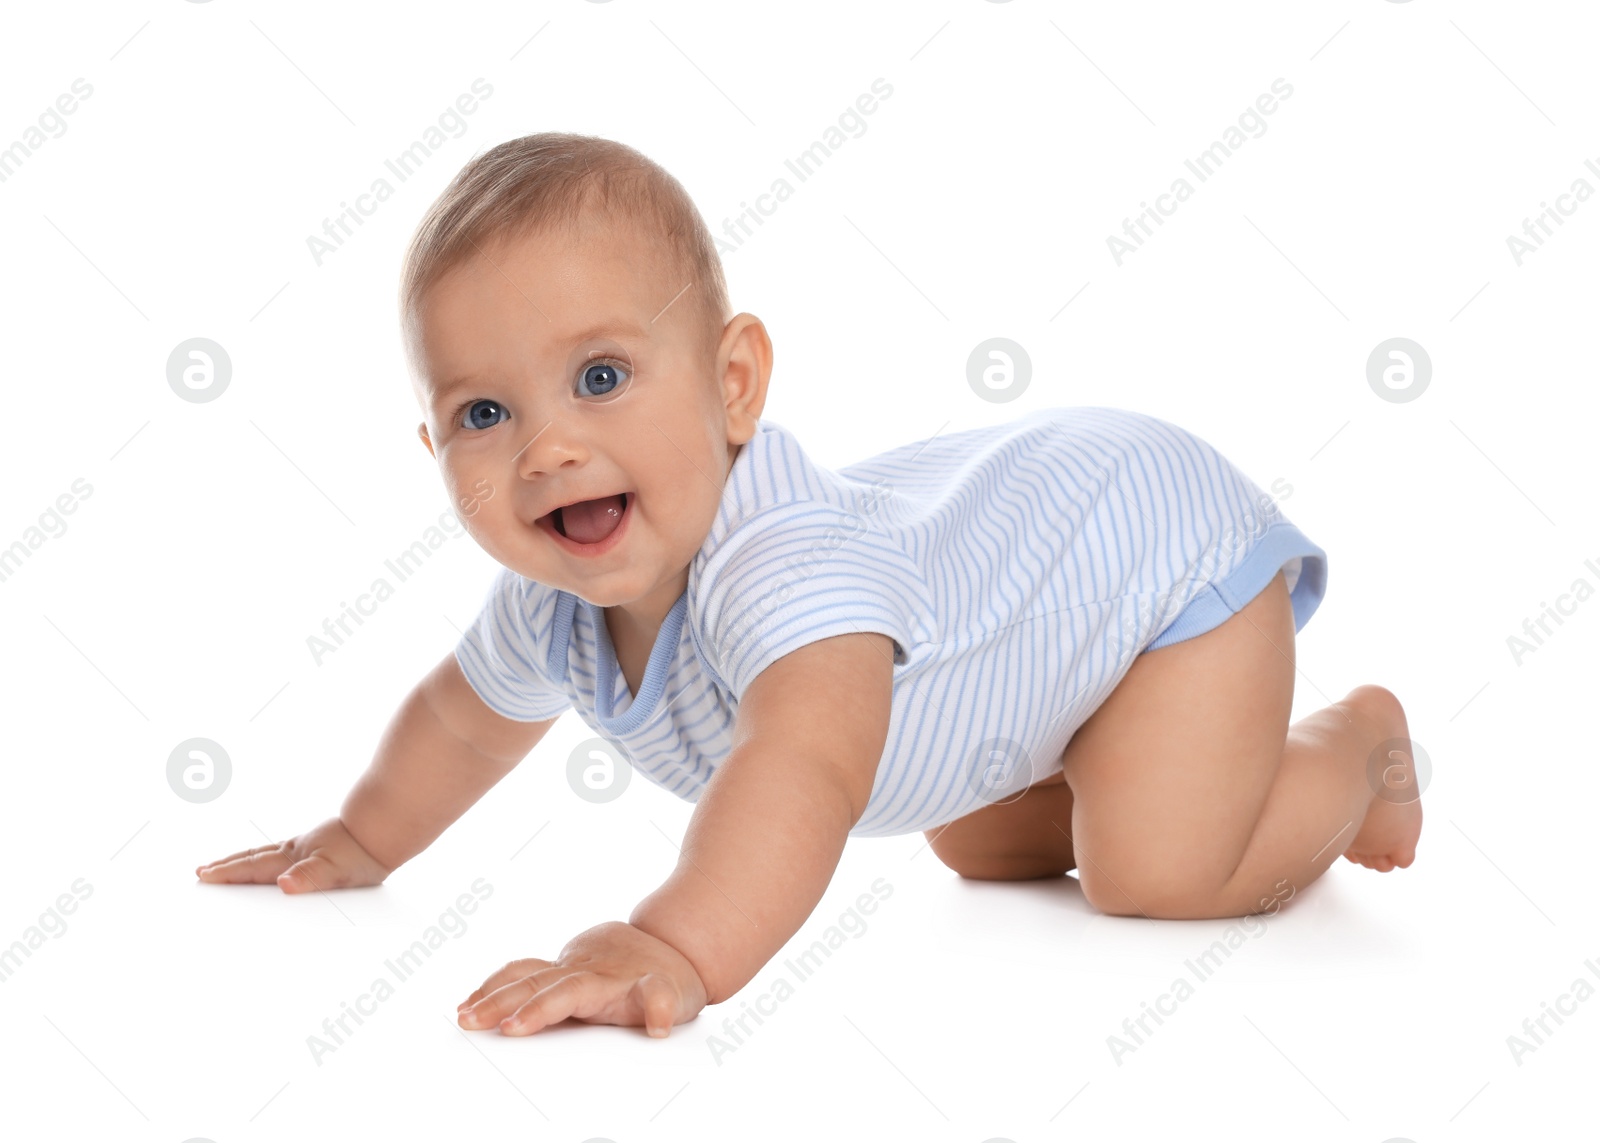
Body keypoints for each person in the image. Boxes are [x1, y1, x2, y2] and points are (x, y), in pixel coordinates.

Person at [196, 132, 1422, 1040]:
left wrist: (671, 943)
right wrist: (358, 840)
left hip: (1152, 562)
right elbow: (461, 724)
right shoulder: (556, 605)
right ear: (433, 453)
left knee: (1151, 873)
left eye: (604, 377)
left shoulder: (787, 573)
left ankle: (1353, 746)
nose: (547, 447)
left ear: (734, 384)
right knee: (984, 849)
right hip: (1031, 610)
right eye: (482, 412)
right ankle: (1110, 758)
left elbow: (806, 772)